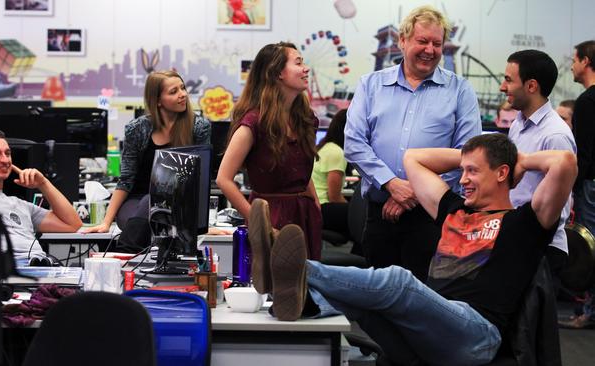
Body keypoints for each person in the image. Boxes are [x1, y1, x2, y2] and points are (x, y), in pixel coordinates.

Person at [250, 133, 576, 365]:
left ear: (502, 174)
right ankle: (297, 296)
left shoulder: (525, 224)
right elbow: (412, 158)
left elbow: (564, 162)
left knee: (398, 282)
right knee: (362, 303)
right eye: (462, 171)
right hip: (429, 332)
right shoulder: (453, 209)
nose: (462, 180)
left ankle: (292, 265)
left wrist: (519, 160)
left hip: (474, 337)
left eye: (472, 171)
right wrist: (471, 156)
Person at [344, 5, 481, 281]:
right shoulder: (370, 85)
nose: (430, 50)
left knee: (424, 304)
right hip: (380, 216)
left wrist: (415, 193)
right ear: (403, 41)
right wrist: (392, 184)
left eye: (437, 43)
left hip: (431, 219)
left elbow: (466, 155)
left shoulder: (460, 91)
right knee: (378, 301)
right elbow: (354, 142)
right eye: (422, 41)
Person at [216, 41, 322, 272]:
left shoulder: (306, 119)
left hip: (304, 213)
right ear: (277, 73)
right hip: (270, 213)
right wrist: (258, 222)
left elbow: (299, 167)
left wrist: (314, 201)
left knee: (307, 288)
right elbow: (223, 178)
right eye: (298, 62)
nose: (305, 69)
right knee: (274, 287)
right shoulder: (253, 123)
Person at [83, 70, 211, 253]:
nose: (183, 94)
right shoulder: (137, 129)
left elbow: (201, 179)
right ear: (158, 100)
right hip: (136, 204)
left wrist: (200, 222)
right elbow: (126, 180)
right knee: (150, 202)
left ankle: (122, 255)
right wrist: (106, 222)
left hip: (181, 206)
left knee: (155, 206)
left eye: (182, 88)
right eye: (173, 91)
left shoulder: (199, 127)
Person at [0, 129, 82, 264]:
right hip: (2, 271)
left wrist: (43, 183)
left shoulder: (20, 204)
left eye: (7, 153)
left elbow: (72, 224)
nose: (5, 160)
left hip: (40, 265)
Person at [502, 49, 576, 276]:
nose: (502, 87)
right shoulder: (518, 123)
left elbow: (559, 206)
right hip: (517, 239)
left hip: (541, 247)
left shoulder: (555, 135)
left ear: (531, 86)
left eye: (508, 80)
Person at [564, 39, 595, 330]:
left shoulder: (587, 101)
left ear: (586, 62)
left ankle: (588, 313)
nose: (572, 66)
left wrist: (574, 187)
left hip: (591, 185)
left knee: (590, 246)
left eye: (574, 59)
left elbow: (584, 152)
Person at [312, 108, 348, 237]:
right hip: (323, 206)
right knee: (363, 217)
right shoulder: (336, 152)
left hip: (315, 206)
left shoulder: (324, 147)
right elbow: (334, 197)